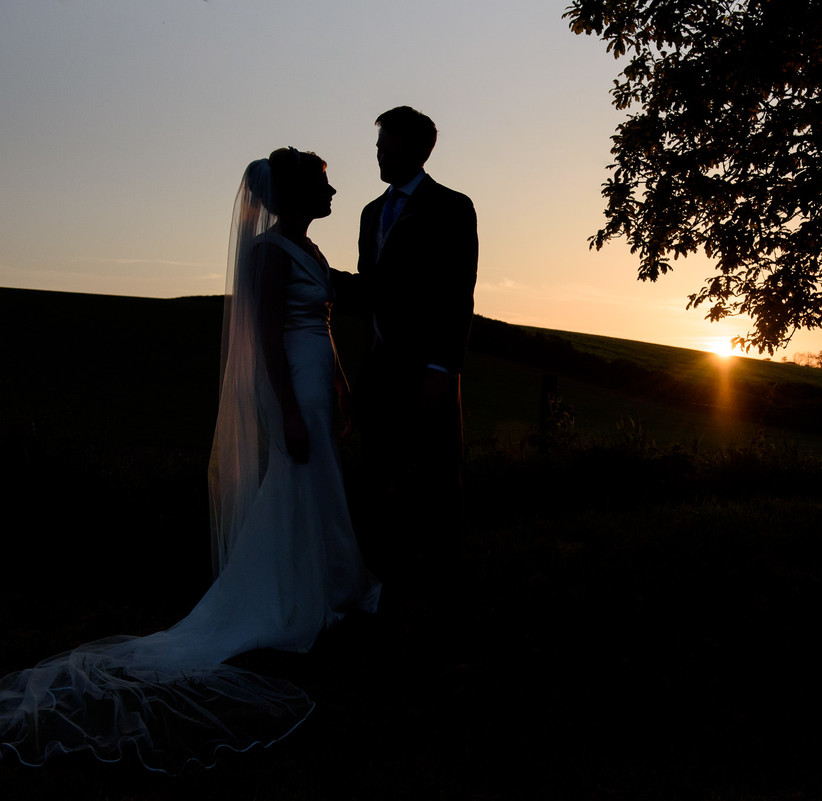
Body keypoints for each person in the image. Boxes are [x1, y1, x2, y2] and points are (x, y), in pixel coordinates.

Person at [0, 149, 378, 773]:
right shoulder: (269, 254)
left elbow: (323, 324)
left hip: (316, 382)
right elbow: (264, 337)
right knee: (297, 485)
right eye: (324, 183)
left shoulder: (311, 252)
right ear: (295, 194)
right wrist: (286, 407)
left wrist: (336, 382)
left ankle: (324, 586)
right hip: (293, 388)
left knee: (317, 489)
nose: (333, 192)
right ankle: (293, 598)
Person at [335, 106, 478, 590]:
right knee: (380, 473)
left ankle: (446, 581)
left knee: (439, 477)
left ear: (421, 151)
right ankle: (383, 580)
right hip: (379, 366)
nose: (382, 158)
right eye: (379, 148)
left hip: (429, 367)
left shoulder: (453, 207)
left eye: (391, 150)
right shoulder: (371, 212)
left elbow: (458, 294)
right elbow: (370, 289)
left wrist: (443, 368)